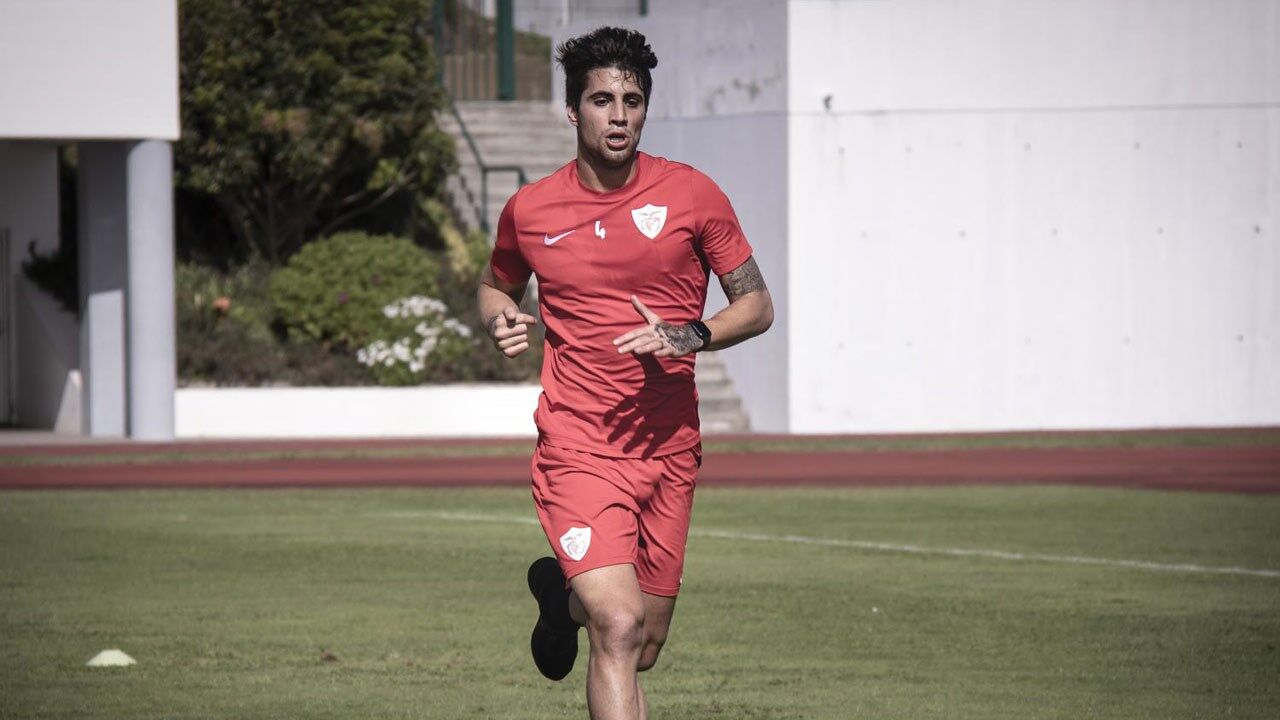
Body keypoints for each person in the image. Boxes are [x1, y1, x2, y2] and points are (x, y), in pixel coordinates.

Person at [476, 26, 773, 720]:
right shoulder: (531, 209)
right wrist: (500, 318)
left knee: (643, 644)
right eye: (602, 100)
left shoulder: (694, 195)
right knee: (618, 623)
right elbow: (495, 285)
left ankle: (560, 602)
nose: (618, 116)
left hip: (668, 447)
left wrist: (688, 333)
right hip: (578, 445)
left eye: (631, 101)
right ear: (571, 109)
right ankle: (584, 604)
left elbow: (757, 305)